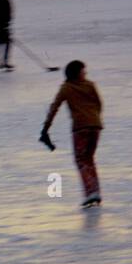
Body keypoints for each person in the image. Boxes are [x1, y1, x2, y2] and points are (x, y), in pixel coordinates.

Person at [41, 60, 104, 208]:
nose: (85, 74)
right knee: (89, 159)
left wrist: (45, 128)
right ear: (77, 73)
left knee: (81, 160)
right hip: (95, 126)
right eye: (83, 71)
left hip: (80, 128)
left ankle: (91, 193)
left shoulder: (66, 88)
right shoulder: (90, 85)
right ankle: (95, 191)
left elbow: (54, 108)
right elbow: (99, 104)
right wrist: (94, 117)